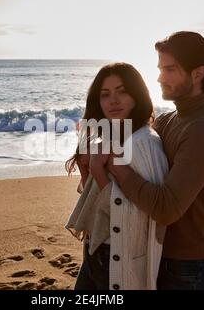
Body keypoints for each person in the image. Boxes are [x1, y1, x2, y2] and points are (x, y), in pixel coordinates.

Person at [106, 31, 204, 290]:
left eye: (170, 69)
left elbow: (166, 208)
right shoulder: (169, 120)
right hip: (165, 255)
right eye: (160, 69)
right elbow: (131, 140)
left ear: (198, 74)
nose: (160, 77)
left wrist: (116, 165)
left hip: (192, 267)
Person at [65, 62, 169, 290]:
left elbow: (136, 218)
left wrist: (99, 171)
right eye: (105, 94)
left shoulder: (143, 143)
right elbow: (95, 202)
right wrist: (87, 167)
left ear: (137, 95)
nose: (113, 100)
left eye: (122, 91)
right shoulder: (113, 136)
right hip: (95, 248)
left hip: (116, 256)